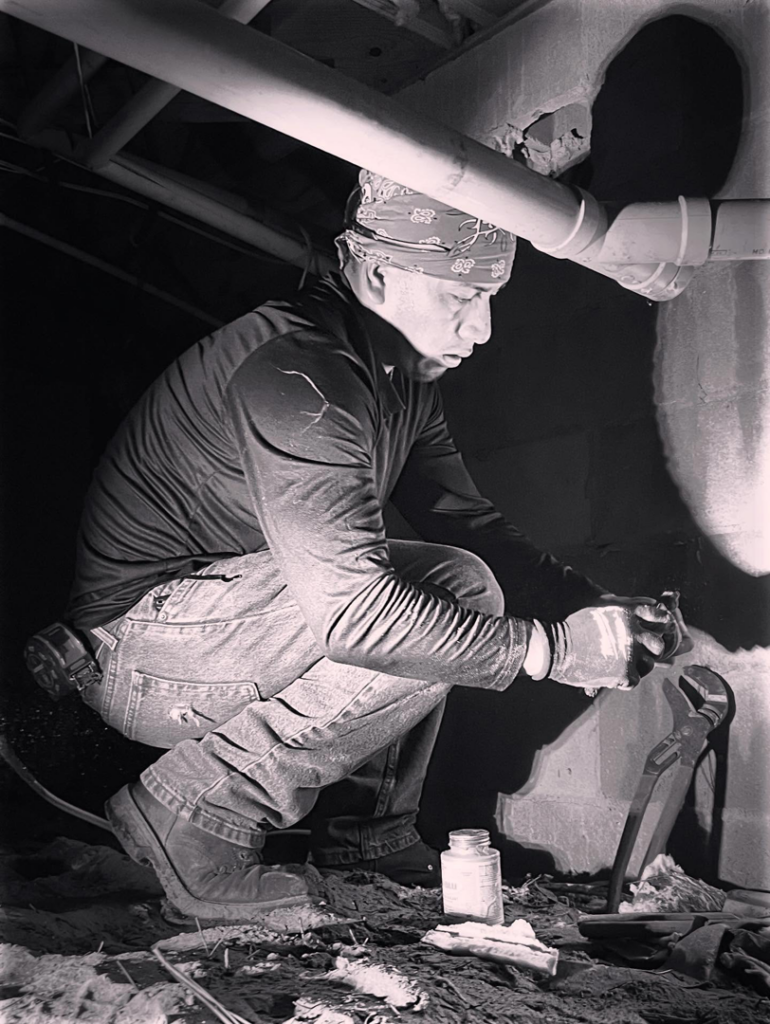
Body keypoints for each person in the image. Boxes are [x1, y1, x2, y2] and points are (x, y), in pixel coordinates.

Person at [67, 170, 679, 922]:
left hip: (225, 627)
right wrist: (555, 649)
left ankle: (370, 833)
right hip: (141, 652)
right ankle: (192, 810)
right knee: (441, 594)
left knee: (447, 575)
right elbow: (356, 616)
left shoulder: (400, 382)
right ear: (381, 272)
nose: (482, 329)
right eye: (461, 298)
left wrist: (594, 607)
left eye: (488, 298)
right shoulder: (297, 368)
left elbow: (469, 522)